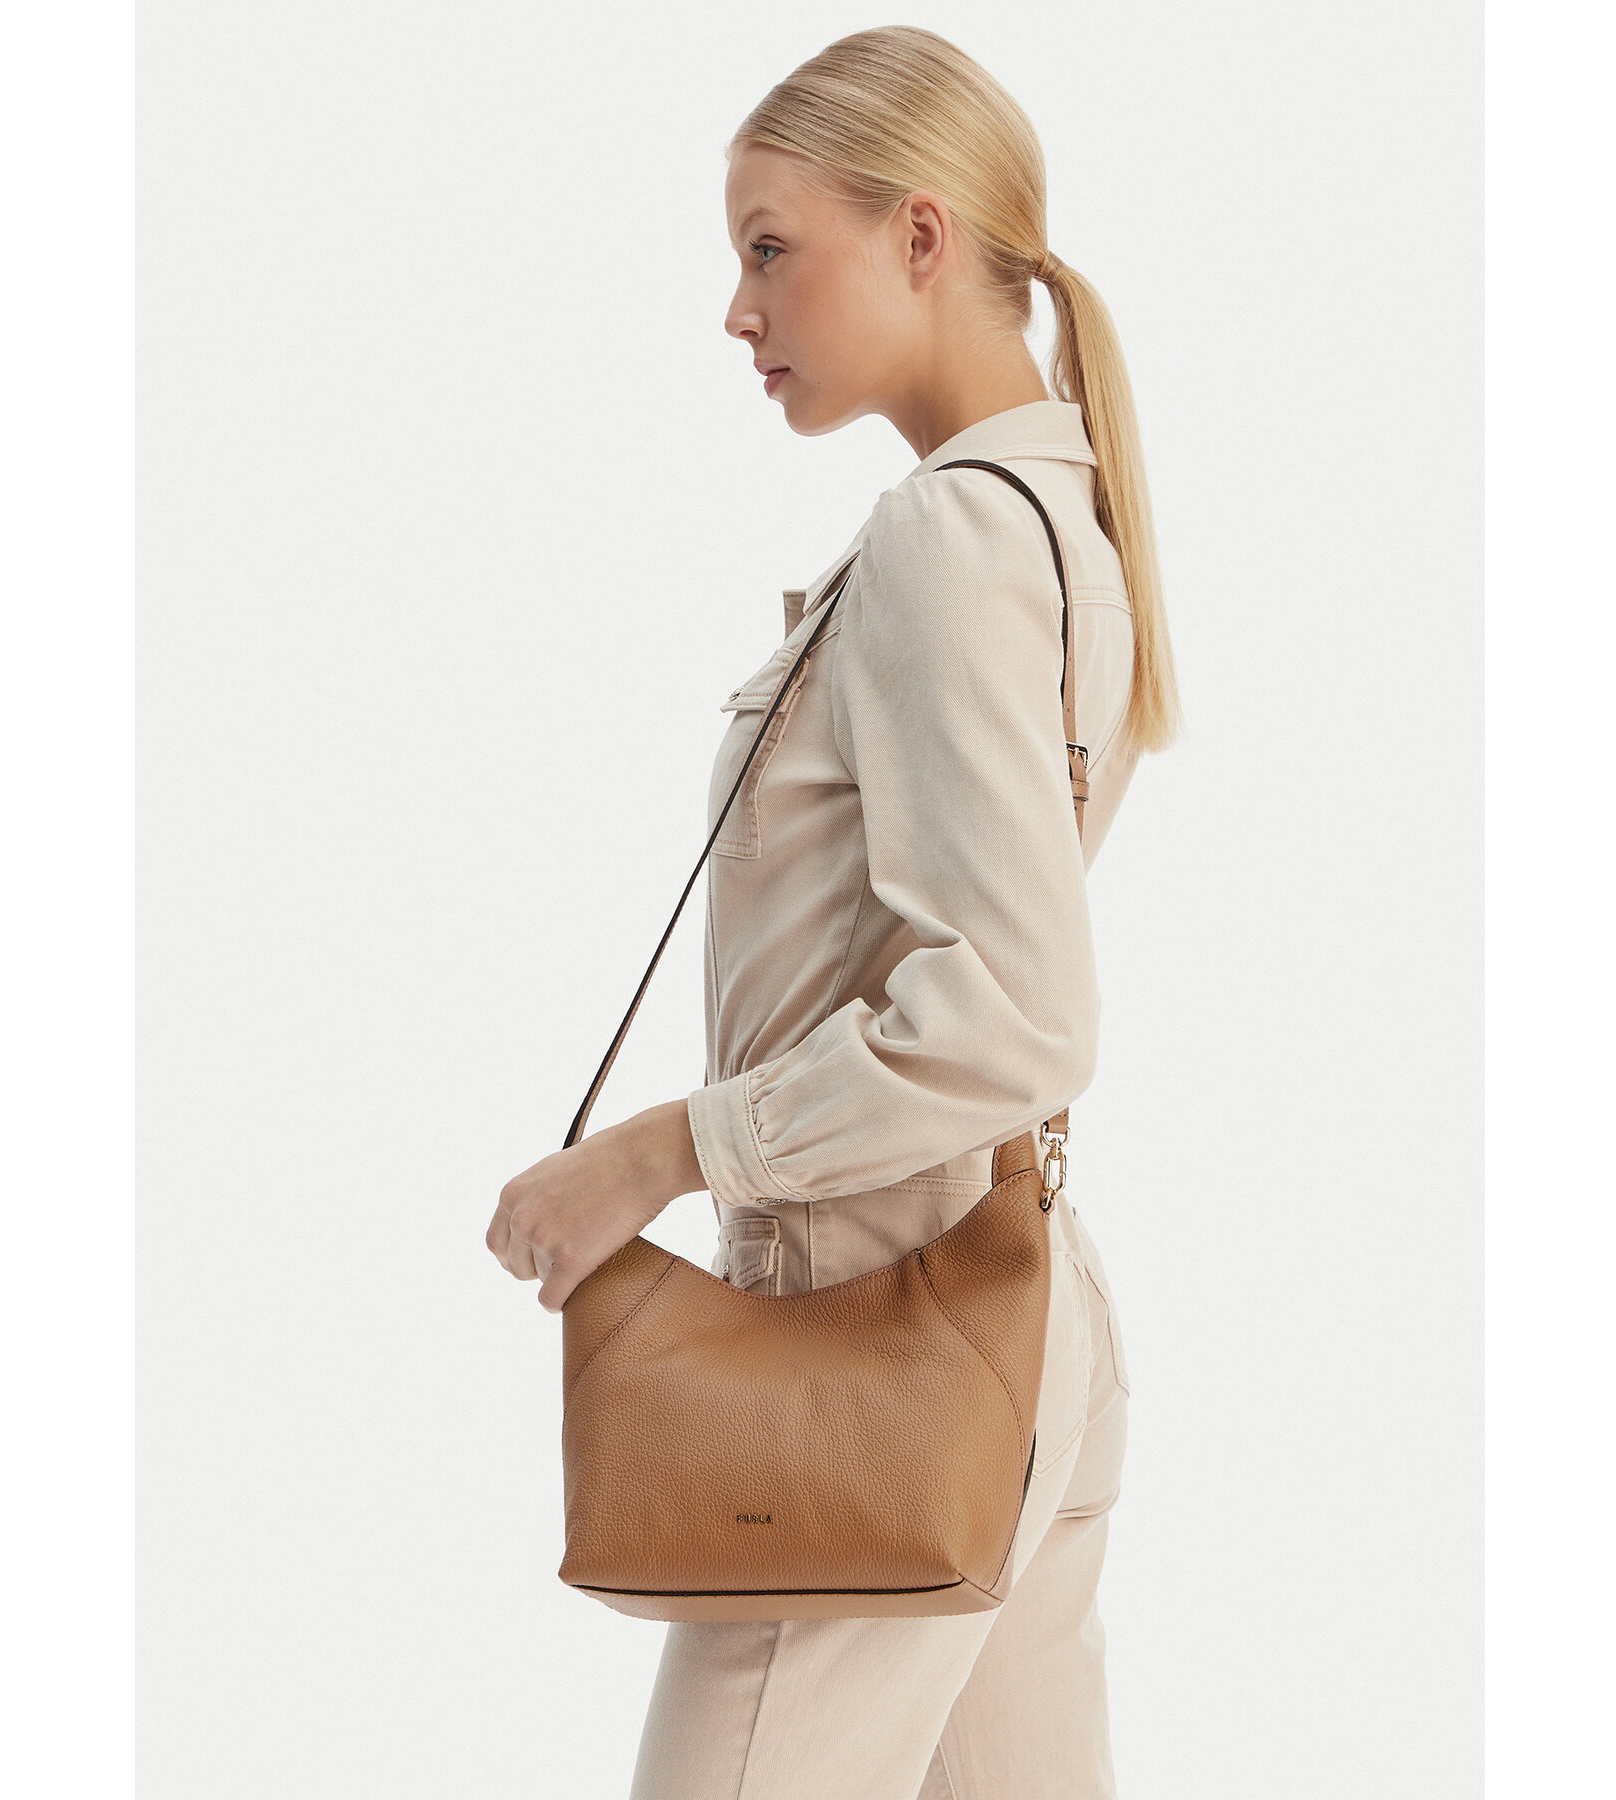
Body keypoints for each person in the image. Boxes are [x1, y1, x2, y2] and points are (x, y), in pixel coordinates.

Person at [486, 25, 1181, 1799]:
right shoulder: (1063, 525)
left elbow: (1015, 1014)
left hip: (873, 1330)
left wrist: (653, 1154)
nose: (739, 309)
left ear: (920, 233)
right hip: (1014, 1311)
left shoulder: (950, 536)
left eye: (770, 246)